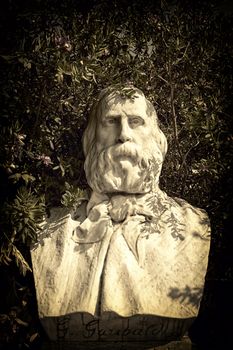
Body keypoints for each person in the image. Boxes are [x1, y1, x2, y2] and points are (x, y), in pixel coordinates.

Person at [31, 85, 211, 342]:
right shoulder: (49, 229)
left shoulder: (194, 226)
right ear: (90, 139)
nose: (123, 134)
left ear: (158, 140)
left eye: (136, 122)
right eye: (111, 122)